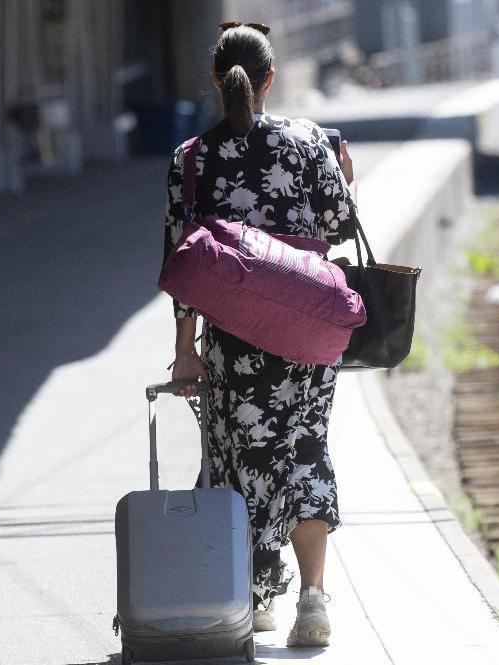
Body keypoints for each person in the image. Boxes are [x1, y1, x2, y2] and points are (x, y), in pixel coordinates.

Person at [162, 21, 358, 649]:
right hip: (306, 334)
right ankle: (312, 599)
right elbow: (341, 224)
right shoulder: (307, 144)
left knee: (234, 464)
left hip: (235, 345)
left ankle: (250, 594)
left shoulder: (191, 159)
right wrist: (344, 178)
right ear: (269, 79)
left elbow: (183, 265)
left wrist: (185, 351)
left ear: (218, 81)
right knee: (304, 451)